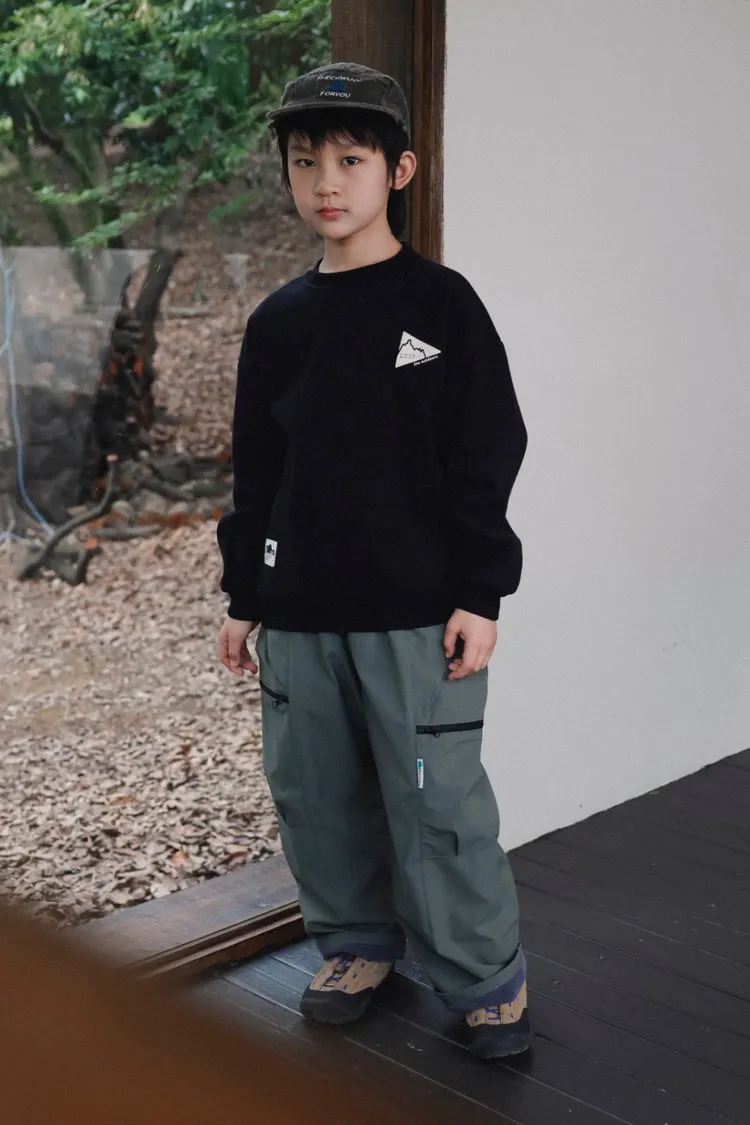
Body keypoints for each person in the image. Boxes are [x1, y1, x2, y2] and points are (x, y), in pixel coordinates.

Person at [216, 61, 530, 1060]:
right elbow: (258, 470)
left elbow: (487, 452)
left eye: (351, 159)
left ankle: (485, 978)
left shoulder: (443, 305)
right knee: (317, 797)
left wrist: (480, 592)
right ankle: (356, 945)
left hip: (416, 613)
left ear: (400, 169)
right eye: (306, 161)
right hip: (300, 613)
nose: (326, 182)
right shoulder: (278, 323)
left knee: (438, 804)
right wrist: (244, 595)